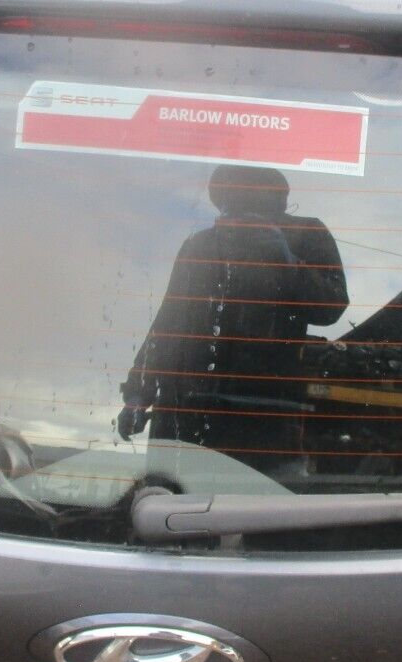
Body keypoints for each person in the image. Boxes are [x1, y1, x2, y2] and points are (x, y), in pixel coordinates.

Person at [118, 165, 347, 469]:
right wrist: (138, 394)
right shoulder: (199, 245)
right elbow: (168, 321)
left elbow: (332, 306)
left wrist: (288, 261)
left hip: (262, 417)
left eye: (252, 196)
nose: (241, 206)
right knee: (172, 497)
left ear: (277, 200)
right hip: (184, 414)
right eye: (231, 199)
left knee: (252, 498)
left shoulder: (305, 234)